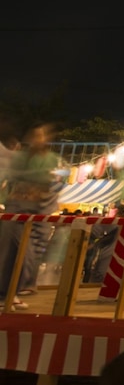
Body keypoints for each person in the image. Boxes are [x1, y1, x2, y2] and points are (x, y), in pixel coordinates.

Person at [0, 124, 62, 308]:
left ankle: (14, 292)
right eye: (35, 135)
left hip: (41, 208)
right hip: (18, 208)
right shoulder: (20, 158)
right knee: (12, 251)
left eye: (42, 135)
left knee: (31, 254)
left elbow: (54, 181)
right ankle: (4, 294)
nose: (38, 139)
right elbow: (13, 176)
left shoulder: (53, 159)